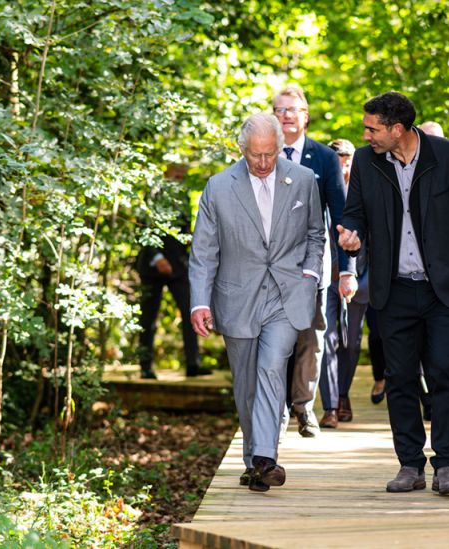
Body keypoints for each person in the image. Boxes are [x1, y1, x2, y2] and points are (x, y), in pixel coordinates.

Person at [337, 92, 449, 495]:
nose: (366, 134)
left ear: (397, 129)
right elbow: (354, 211)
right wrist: (350, 234)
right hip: (392, 291)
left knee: (446, 371)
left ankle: (446, 464)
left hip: (443, 288)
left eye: (372, 128)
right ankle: (410, 464)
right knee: (401, 377)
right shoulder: (366, 161)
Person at [189, 112, 325, 492]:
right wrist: (200, 302)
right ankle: (254, 460)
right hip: (237, 297)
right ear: (242, 150)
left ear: (280, 149)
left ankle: (266, 457)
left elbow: (317, 233)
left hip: (286, 295)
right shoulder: (218, 187)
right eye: (255, 156)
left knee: (270, 369)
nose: (264, 163)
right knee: (246, 383)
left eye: (270, 154)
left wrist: (310, 275)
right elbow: (204, 252)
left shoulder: (302, 180)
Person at [272, 85, 357, 438]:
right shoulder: (262, 154)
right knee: (274, 341)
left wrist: (347, 271)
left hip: (313, 268)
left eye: (293, 109)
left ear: (305, 116)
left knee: (311, 339)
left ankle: (304, 407)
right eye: (280, 110)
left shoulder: (323, 158)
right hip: (270, 270)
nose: (286, 115)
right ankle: (275, 411)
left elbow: (341, 215)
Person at [136, 164, 209, 380]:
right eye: (176, 173)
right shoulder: (153, 194)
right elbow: (142, 227)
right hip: (152, 268)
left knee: (191, 312)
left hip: (179, 267)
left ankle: (193, 363)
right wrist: (157, 258)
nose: (179, 177)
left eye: (182, 174)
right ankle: (145, 366)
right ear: (166, 172)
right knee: (148, 318)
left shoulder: (184, 198)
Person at [318, 139, 370, 428]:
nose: (344, 166)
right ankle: (329, 407)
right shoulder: (320, 192)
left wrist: (365, 281)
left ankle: (343, 394)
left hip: (358, 280)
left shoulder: (363, 194)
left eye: (348, 160)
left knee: (351, 344)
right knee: (327, 339)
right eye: (339, 160)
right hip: (326, 278)